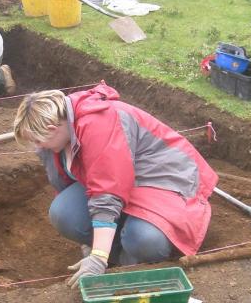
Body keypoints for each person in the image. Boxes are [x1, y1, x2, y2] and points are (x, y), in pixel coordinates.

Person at [12, 83, 218, 288]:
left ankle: (135, 264)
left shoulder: (99, 123)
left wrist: (98, 257)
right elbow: (74, 182)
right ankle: (117, 255)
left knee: (142, 239)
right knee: (64, 213)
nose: (38, 147)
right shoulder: (59, 138)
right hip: (125, 179)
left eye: (39, 142)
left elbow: (107, 192)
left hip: (166, 178)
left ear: (52, 128)